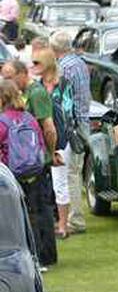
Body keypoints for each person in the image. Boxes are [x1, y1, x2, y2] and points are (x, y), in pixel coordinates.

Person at [2, 59, 56, 266]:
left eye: (9, 76)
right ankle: (47, 257)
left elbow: (49, 128)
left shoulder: (36, 94)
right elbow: (42, 136)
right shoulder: (28, 116)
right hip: (35, 166)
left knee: (26, 215)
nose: (7, 80)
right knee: (41, 211)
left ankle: (35, 257)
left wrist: (52, 153)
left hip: (17, 170)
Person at [51, 31, 88, 235]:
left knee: (71, 174)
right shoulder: (80, 63)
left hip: (73, 126)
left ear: (55, 49)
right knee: (76, 172)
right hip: (83, 122)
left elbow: (66, 103)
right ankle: (75, 216)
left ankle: (75, 221)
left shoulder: (64, 67)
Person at [33, 51, 71, 239]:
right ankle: (54, 221)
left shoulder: (63, 84)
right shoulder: (36, 86)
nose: (33, 66)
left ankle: (63, 224)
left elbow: (68, 111)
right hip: (41, 140)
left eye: (37, 62)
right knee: (46, 183)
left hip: (61, 138)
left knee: (60, 182)